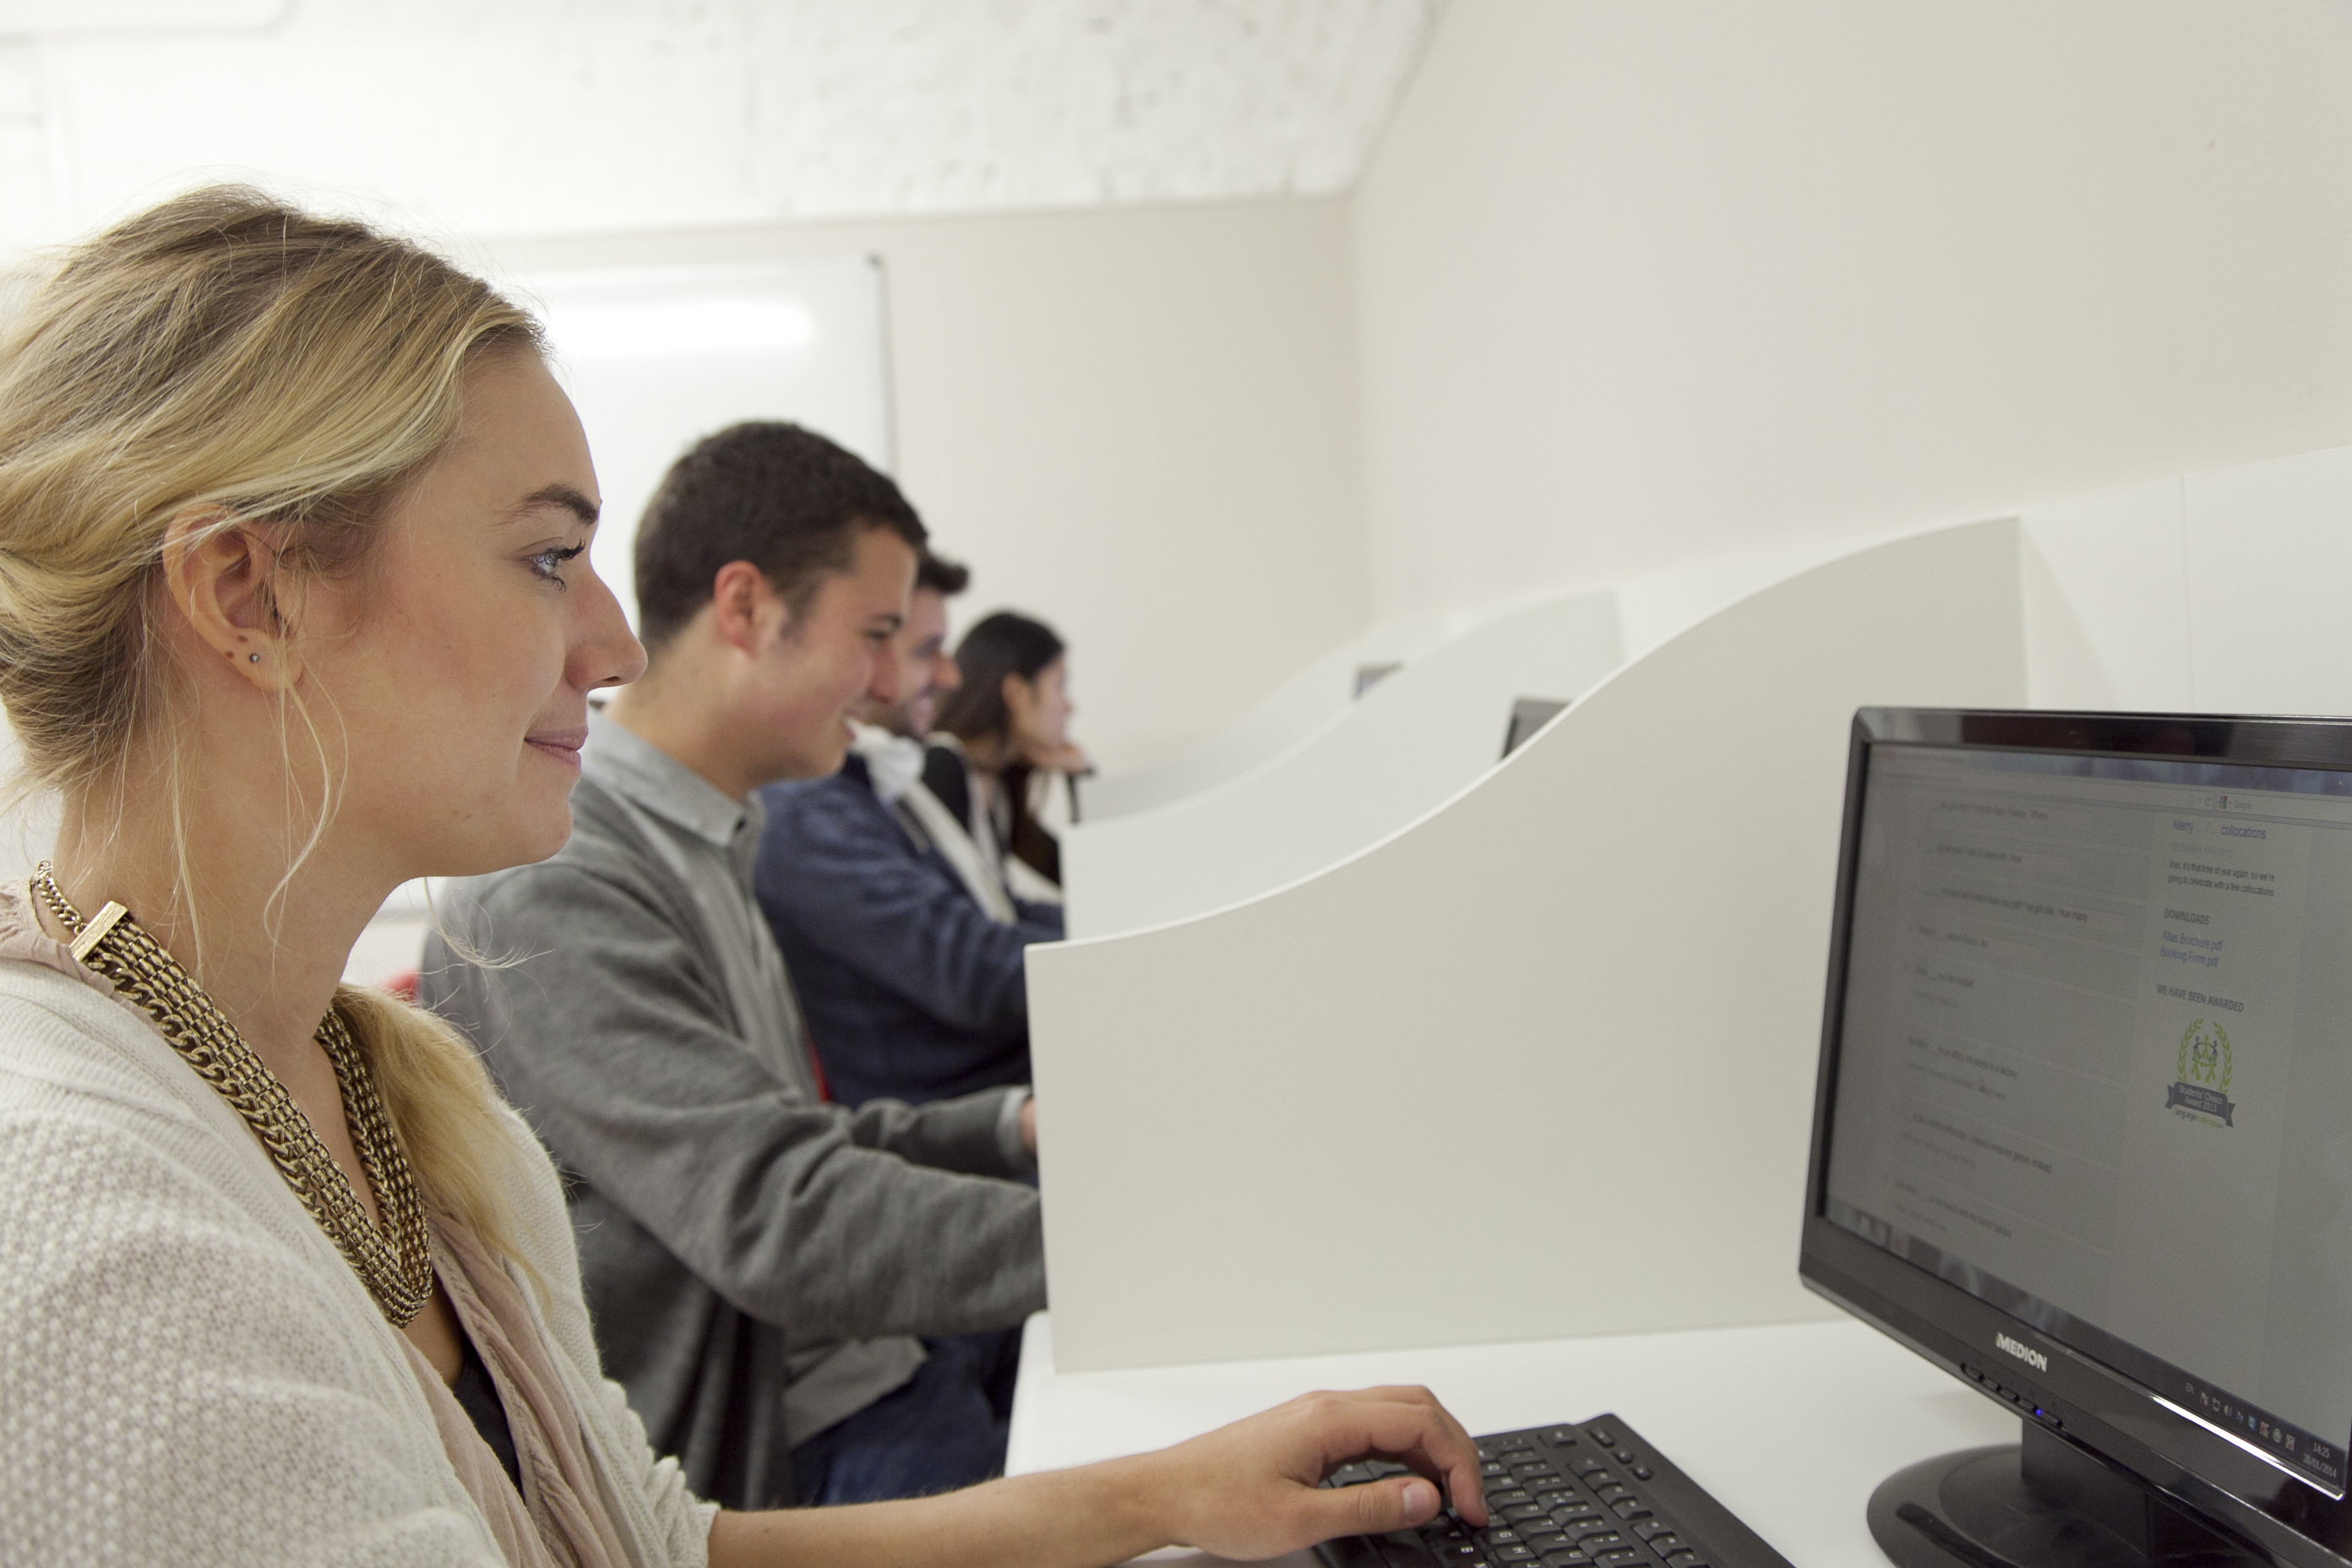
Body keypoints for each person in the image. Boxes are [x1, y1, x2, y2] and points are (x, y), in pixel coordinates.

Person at [0, 187, 1488, 1565]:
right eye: (541, 558)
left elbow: (650, 1541)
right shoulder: (93, 1234)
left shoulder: (392, 1093)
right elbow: (780, 1215)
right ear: (247, 596)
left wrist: (1161, 1496)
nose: (613, 648)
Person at [417, 423, 1036, 1509]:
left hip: (855, 1371)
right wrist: (1129, 1241)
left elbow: (784, 1137)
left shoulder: (710, 831)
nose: (896, 680)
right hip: (780, 1448)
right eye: (877, 633)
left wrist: (1006, 1128)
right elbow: (780, 1215)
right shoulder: (561, 876)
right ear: (746, 608)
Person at [755, 547, 1064, 1107]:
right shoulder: (809, 813)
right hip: (966, 1120)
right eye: (927, 650)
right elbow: (972, 969)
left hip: (1006, 1090)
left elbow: (994, 910)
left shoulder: (880, 779)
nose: (950, 676)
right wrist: (1131, 956)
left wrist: (1128, 933)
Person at [933, 610, 1088, 900]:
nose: (1070, 707)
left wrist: (1078, 777)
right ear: (1016, 693)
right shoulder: (942, 766)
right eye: (1060, 686)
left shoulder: (998, 785)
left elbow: (1083, 878)